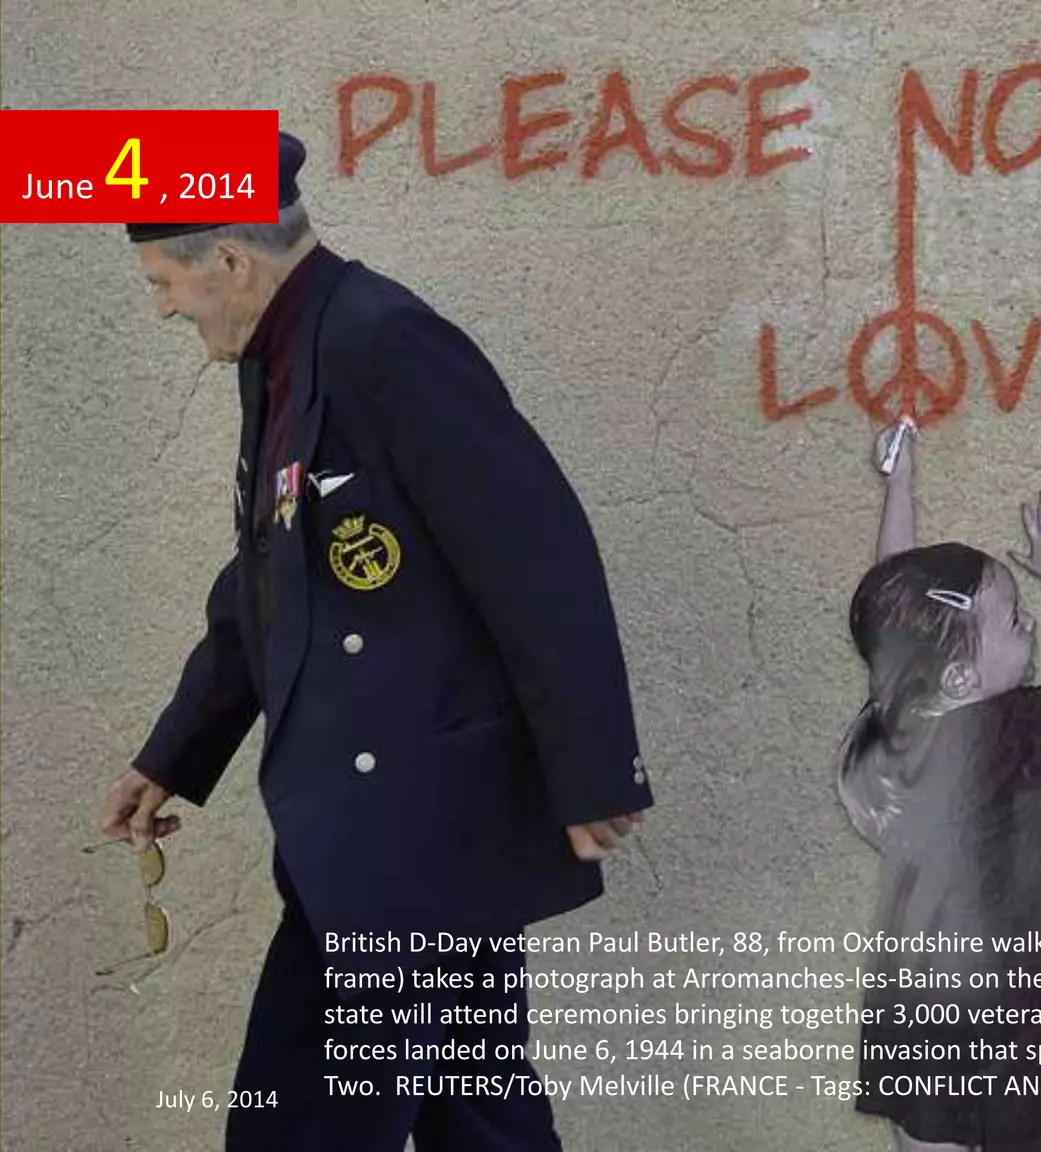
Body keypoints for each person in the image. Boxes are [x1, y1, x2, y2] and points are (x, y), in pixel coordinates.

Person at [93, 131, 653, 1151]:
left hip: (408, 821)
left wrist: (590, 772)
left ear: (230, 259)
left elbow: (537, 551)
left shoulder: (380, 341)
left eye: (164, 280)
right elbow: (266, 579)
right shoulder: (283, 358)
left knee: (307, 1122)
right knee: (473, 1112)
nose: (163, 306)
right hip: (377, 825)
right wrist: (174, 751)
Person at [837, 420, 1041, 1152]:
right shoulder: (1012, 735)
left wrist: (900, 481)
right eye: (1015, 620)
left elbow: (896, 608)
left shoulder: (898, 725)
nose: (1029, 625)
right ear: (964, 675)